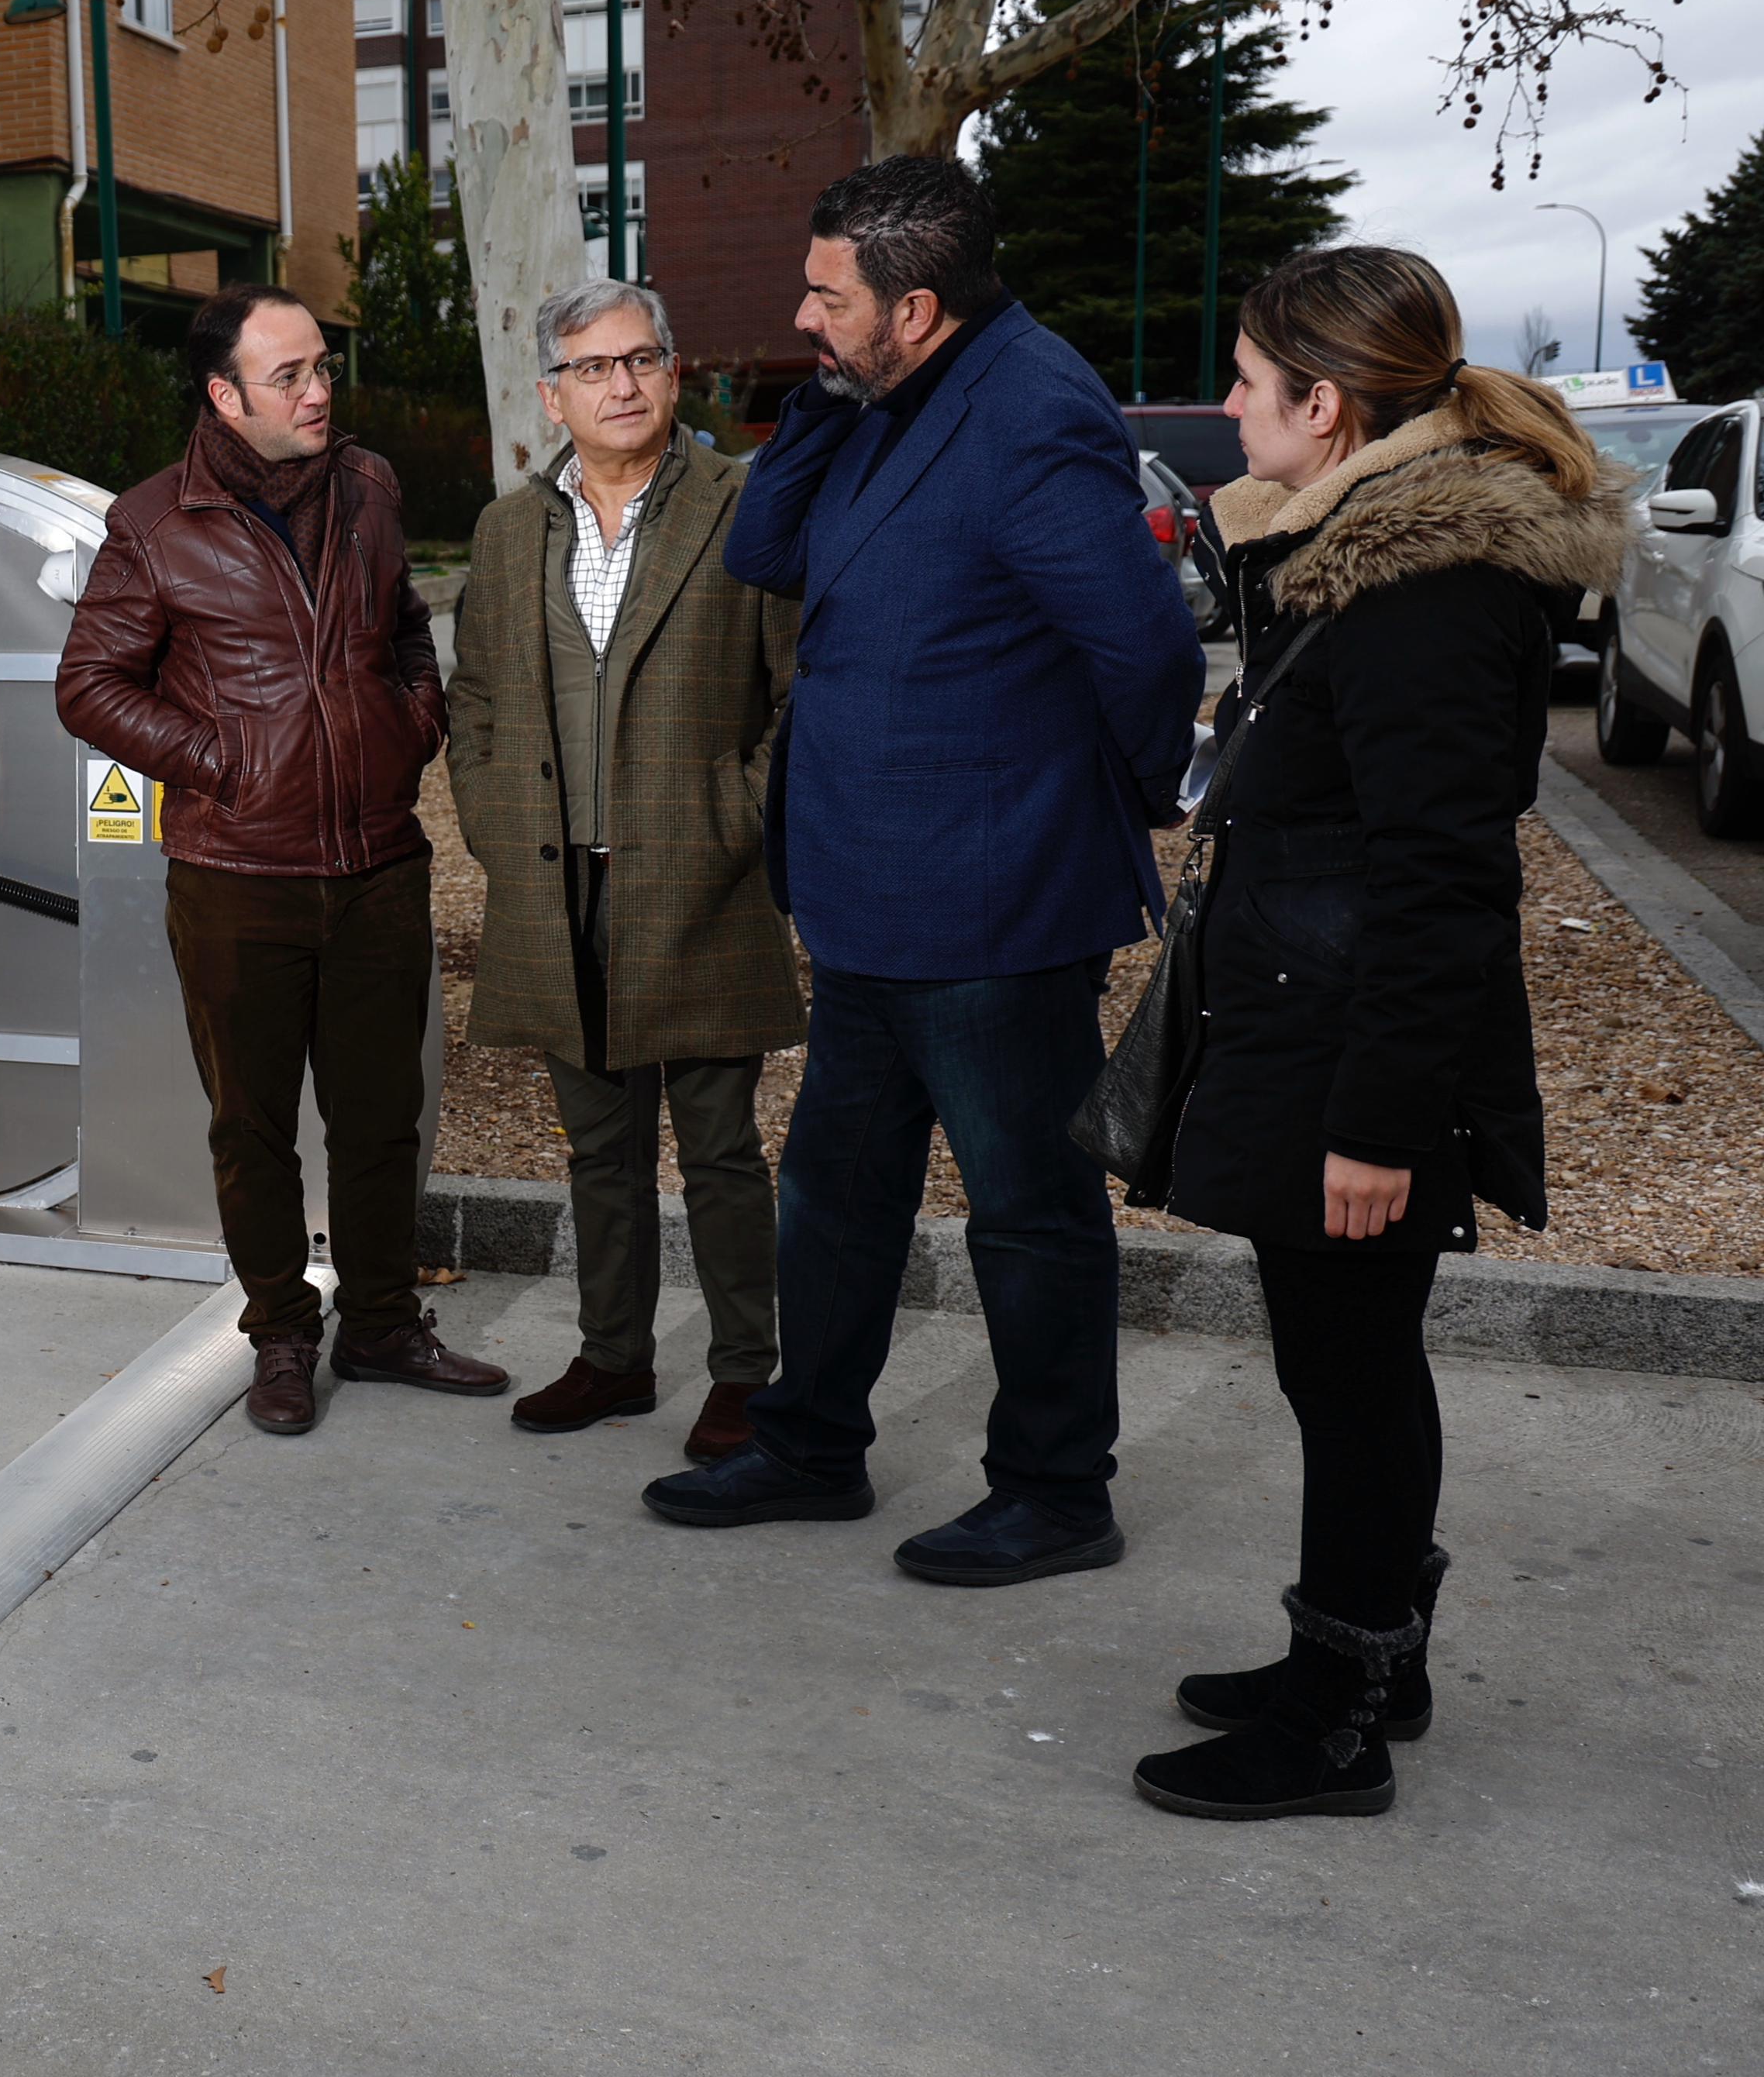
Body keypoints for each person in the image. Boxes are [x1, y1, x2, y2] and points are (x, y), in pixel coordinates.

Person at [640, 154, 1202, 1580]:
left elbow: (1147, 652)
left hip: (998, 903)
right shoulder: (887, 393)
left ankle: (1058, 1491)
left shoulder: (1033, 411)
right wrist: (827, 391)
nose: (802, 315)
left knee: (1026, 1213)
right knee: (837, 1193)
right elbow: (764, 550)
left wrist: (1115, 805)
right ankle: (811, 1446)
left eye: (828, 299)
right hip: (869, 892)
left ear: (920, 307)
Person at [1128, 249, 1622, 1819]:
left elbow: (1443, 879)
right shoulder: (1354, 551)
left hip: (1349, 1053)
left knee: (1350, 1381)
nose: (1227, 407)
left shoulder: (1422, 586)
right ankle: (1367, 1656)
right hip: (1307, 1020)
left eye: (1245, 382)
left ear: (1325, 406)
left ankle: (1333, 1718)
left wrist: (1376, 1125)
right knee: (1339, 1363)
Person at [57, 283, 510, 1433]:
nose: (319, 393)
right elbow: (90, 686)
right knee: (252, 1127)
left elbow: (405, 627)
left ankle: (384, 1323)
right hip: (236, 878)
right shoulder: (155, 523)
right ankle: (281, 1334)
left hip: (377, 866)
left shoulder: (369, 487)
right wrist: (223, 761)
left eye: (323, 367)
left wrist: (412, 719)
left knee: (381, 1117)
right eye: (290, 376)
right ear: (226, 396)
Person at [442, 277, 800, 1461]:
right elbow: (476, 699)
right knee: (599, 1151)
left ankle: (745, 1374)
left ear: (674, 373)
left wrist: (732, 820)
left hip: (702, 886)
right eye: (593, 367)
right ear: (554, 395)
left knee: (721, 1152)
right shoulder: (509, 530)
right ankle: (615, 1357)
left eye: (641, 359)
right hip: (560, 891)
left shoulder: (745, 509)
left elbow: (803, 693)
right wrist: (498, 829)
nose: (622, 384)